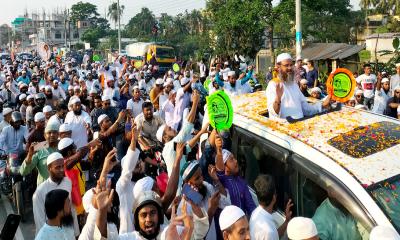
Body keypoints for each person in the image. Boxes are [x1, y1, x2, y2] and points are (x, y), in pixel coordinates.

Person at [266, 53, 331, 120]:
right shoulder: (273, 85)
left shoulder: (294, 85)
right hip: (283, 127)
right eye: (286, 65)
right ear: (278, 67)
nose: (290, 68)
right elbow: (273, 113)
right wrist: (278, 99)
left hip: (300, 125)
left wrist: (323, 105)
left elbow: (306, 108)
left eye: (291, 65)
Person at [32, 152, 79, 236]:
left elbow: (71, 209)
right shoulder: (40, 192)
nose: (61, 170)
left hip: (68, 232)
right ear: (49, 168)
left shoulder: (68, 182)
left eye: (62, 166)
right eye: (57, 167)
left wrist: (76, 232)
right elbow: (40, 221)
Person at [215, 138, 256, 216]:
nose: (236, 161)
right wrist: (219, 150)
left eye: (234, 158)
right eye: (231, 160)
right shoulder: (222, 180)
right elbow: (219, 170)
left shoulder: (242, 183)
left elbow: (251, 206)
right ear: (224, 166)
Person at [250, 174, 293, 240]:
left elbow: (275, 235)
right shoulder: (268, 232)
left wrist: (287, 221)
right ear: (274, 197)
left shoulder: (255, 213)